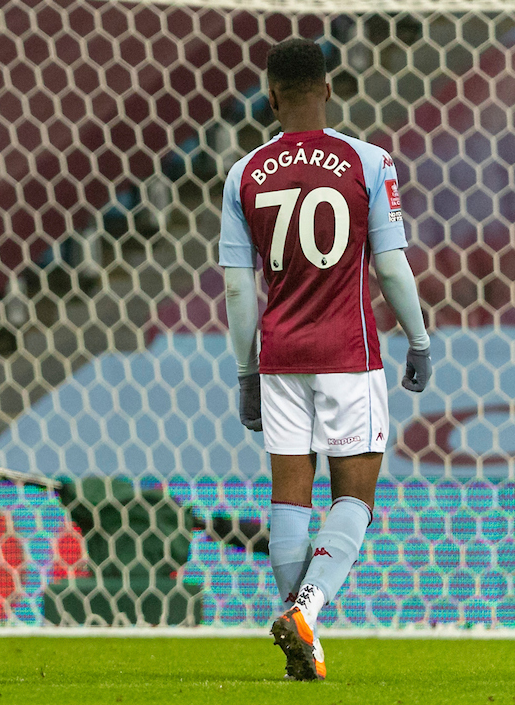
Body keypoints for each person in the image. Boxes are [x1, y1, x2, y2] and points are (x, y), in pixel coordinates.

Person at [219, 38, 430, 681]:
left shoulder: (244, 173)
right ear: (331, 88)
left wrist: (247, 372)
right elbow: (390, 266)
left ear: (272, 96)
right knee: (355, 498)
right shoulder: (368, 161)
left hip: (281, 358)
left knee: (290, 502)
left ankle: (300, 638)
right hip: (349, 353)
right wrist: (419, 340)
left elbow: (235, 287)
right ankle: (307, 613)